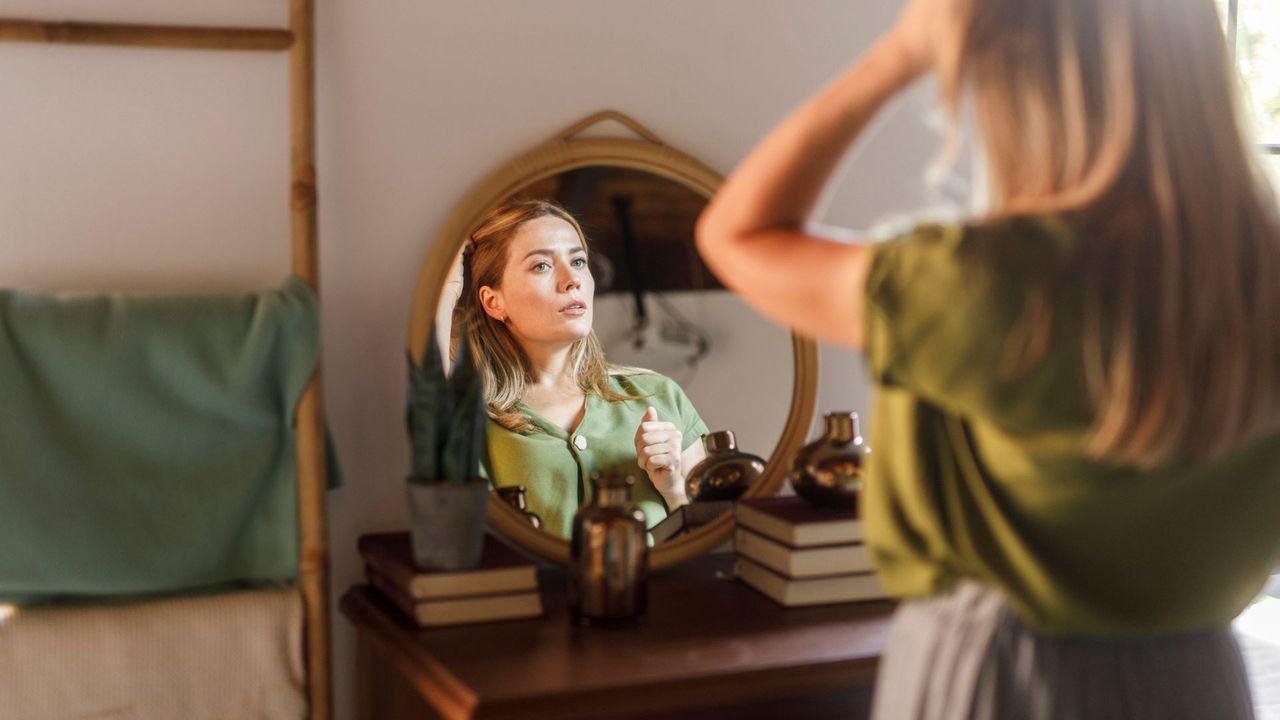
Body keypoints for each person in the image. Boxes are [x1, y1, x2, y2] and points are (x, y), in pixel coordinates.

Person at [696, 0, 1280, 717]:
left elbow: (737, 233)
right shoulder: (1262, 274)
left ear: (1016, 85)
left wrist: (901, 54)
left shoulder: (993, 282)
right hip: (1199, 681)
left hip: (1003, 679)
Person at [452, 199, 708, 539]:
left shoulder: (660, 397)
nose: (572, 280)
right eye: (541, 266)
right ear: (493, 302)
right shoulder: (474, 420)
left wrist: (674, 487)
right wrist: (449, 285)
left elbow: (712, 544)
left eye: (578, 261)